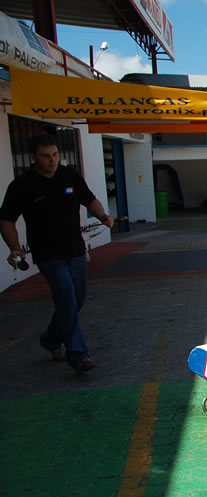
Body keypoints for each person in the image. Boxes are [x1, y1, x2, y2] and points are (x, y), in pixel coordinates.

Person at [0, 133, 114, 373]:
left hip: (75, 250)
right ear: (33, 157)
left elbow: (89, 199)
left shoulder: (69, 176)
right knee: (67, 298)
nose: (52, 160)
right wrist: (15, 248)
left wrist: (103, 217)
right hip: (48, 254)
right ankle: (79, 356)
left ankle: (51, 339)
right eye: (45, 156)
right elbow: (7, 220)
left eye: (55, 155)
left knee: (76, 301)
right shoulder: (22, 186)